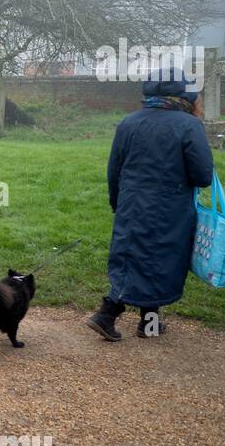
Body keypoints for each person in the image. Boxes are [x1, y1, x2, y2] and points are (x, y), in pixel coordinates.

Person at [86, 67, 214, 341]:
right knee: (161, 260)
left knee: (132, 256)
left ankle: (150, 322)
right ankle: (107, 313)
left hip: (131, 203)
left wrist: (117, 202)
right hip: (170, 208)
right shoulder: (189, 125)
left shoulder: (129, 122)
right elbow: (203, 175)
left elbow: (114, 169)